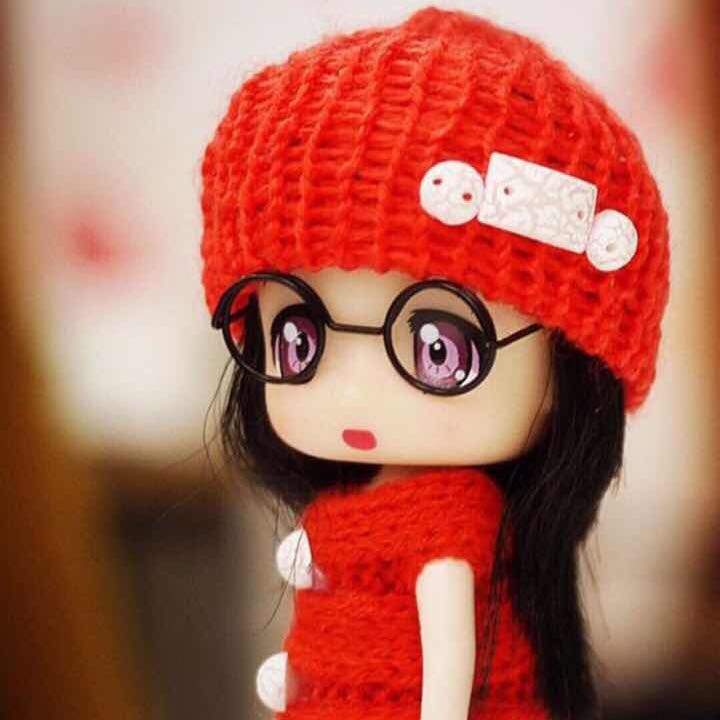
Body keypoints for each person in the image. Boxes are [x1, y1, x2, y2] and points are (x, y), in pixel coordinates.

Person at [199, 7, 670, 719]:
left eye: (437, 349)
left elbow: (450, 672)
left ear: (568, 372)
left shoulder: (448, 525)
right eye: (300, 339)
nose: (354, 392)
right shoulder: (353, 513)